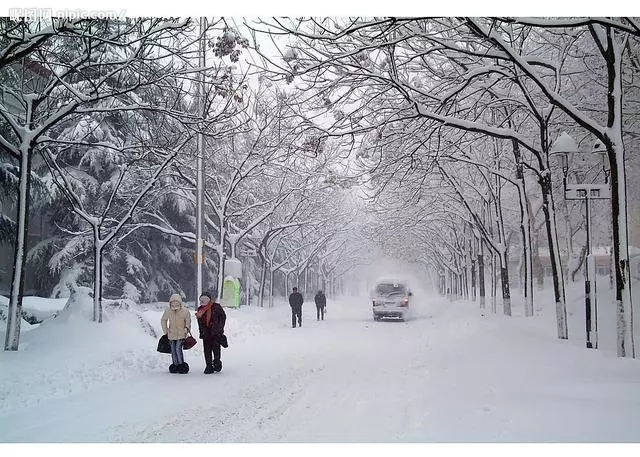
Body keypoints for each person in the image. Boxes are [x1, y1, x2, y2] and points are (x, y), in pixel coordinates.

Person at [196, 290, 226, 374]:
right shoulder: (200, 310)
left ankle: (217, 363)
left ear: (209, 299)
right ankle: (208, 365)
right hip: (206, 333)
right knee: (207, 350)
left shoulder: (216, 306)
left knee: (216, 348)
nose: (203, 301)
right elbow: (199, 322)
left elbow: (223, 317)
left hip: (215, 332)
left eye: (205, 299)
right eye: (201, 299)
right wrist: (201, 331)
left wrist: (219, 329)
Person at [161, 293, 191, 374]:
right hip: (171, 334)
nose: (174, 304)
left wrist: (186, 329)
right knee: (173, 350)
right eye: (173, 302)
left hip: (181, 334)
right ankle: (175, 365)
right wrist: (166, 331)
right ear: (170, 303)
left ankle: (181, 365)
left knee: (178, 349)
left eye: (176, 302)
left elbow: (188, 322)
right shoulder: (168, 310)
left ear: (180, 302)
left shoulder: (185, 311)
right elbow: (163, 320)